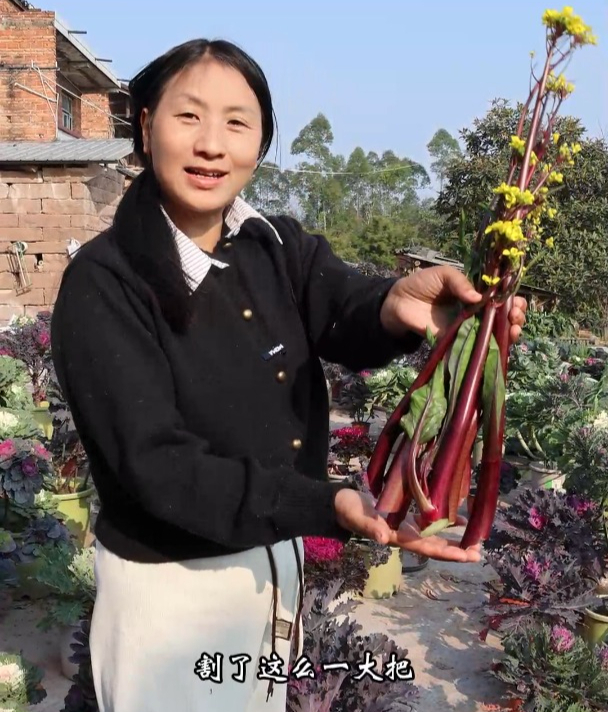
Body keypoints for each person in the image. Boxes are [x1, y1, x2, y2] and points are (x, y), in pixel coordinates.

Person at [50, 38, 526, 712]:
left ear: (262, 142)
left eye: (238, 123)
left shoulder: (276, 244)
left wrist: (396, 305)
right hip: (174, 596)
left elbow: (346, 307)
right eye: (189, 117)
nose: (212, 144)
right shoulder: (105, 284)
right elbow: (157, 467)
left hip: (274, 568)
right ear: (146, 122)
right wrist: (325, 503)